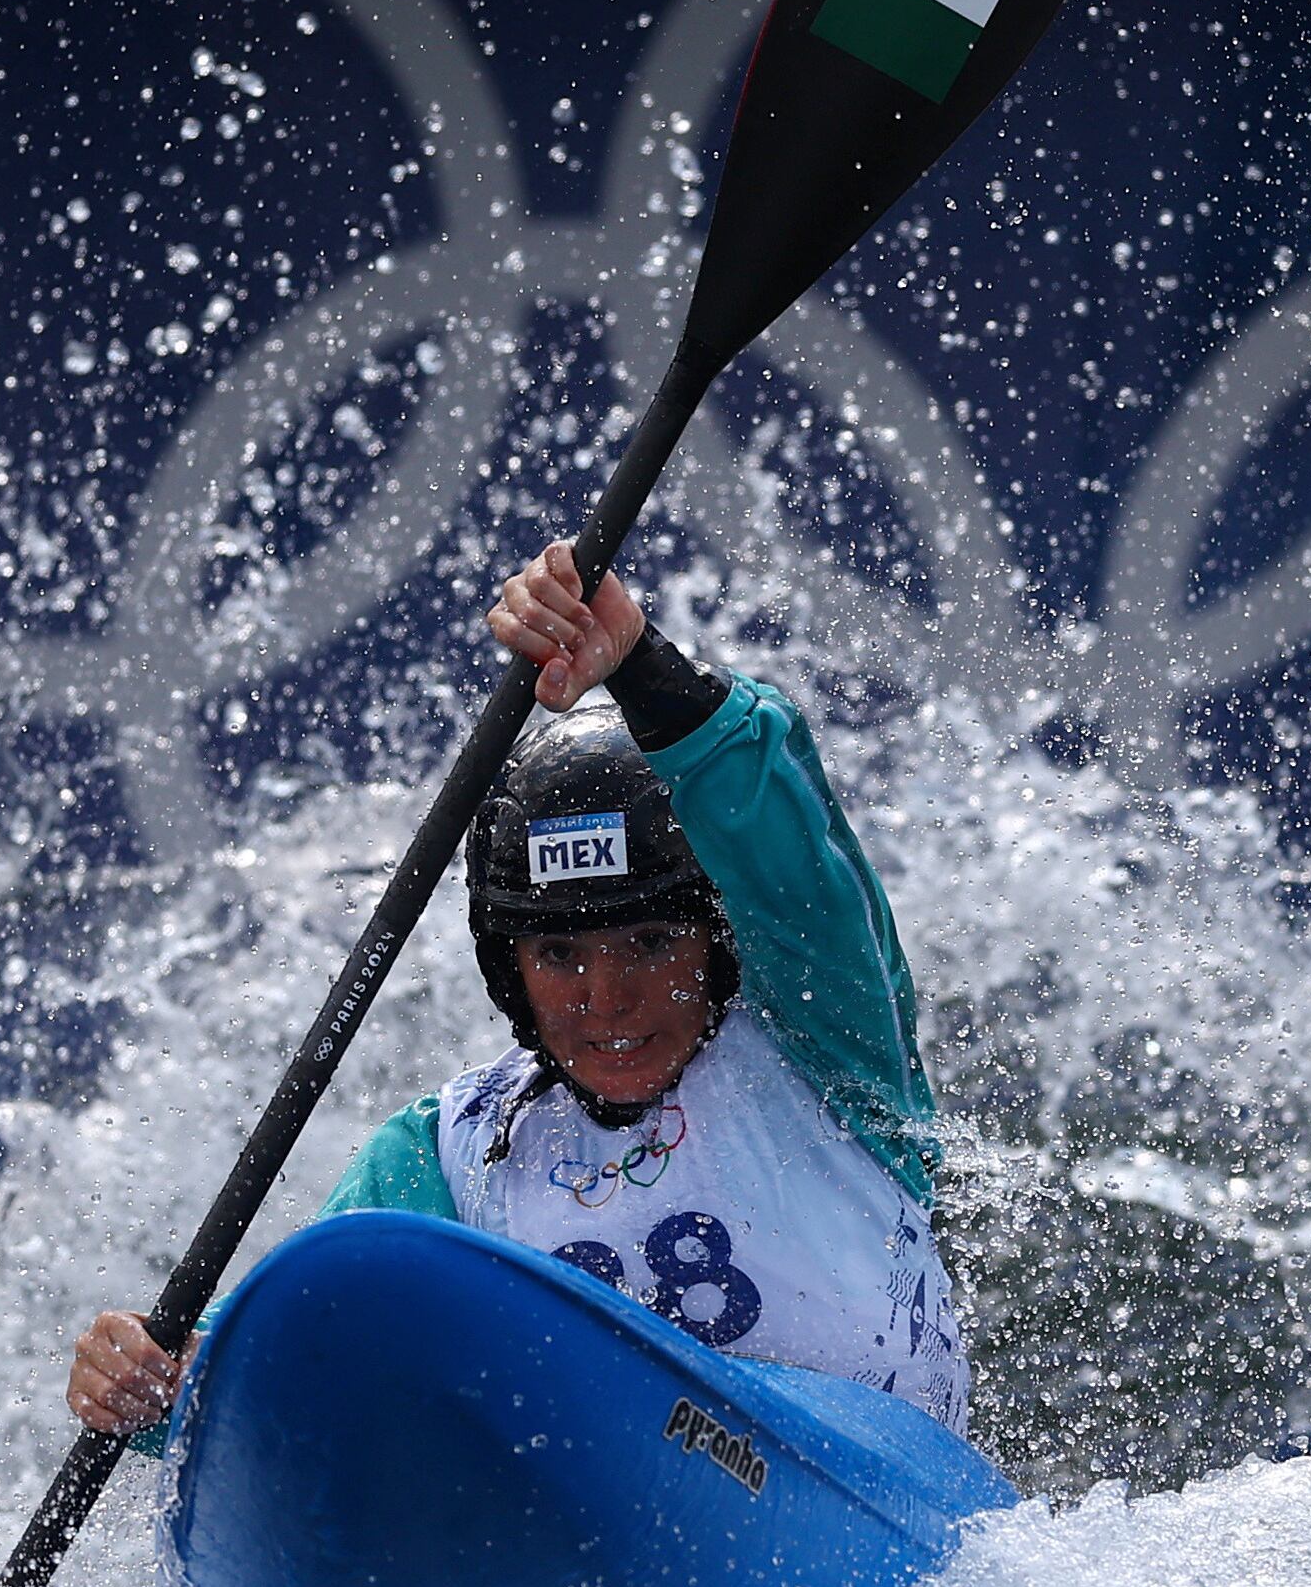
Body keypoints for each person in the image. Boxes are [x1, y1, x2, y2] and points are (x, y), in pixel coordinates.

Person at [65, 540, 968, 1449]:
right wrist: (158, 1388)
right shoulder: (447, 1155)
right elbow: (310, 1365)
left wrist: (644, 667)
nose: (606, 997)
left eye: (650, 943)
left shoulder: (822, 1044)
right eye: (560, 954)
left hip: (885, 1505)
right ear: (510, 969)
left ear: (717, 940)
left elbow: (788, 855)